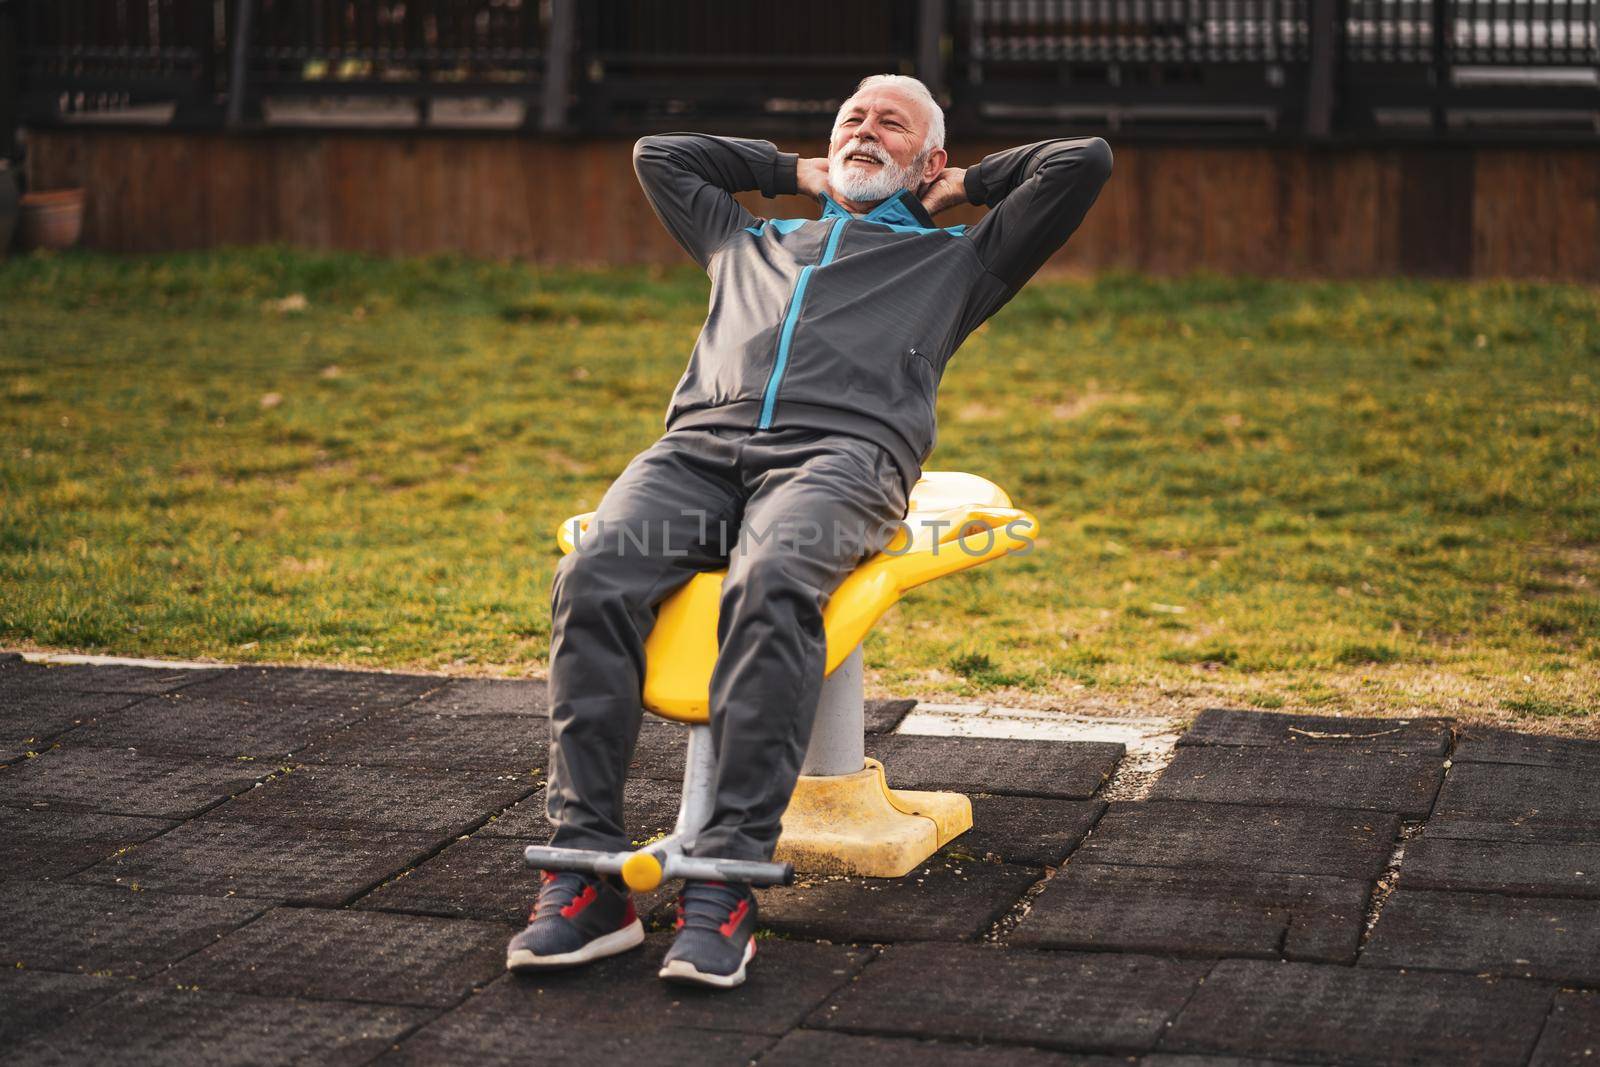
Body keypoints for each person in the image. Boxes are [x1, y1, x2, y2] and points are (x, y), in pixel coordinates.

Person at [506, 74, 1112, 988]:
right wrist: (795, 169)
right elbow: (660, 155)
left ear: (929, 157)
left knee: (774, 579)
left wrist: (968, 188)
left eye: (890, 124)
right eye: (851, 121)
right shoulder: (747, 239)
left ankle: (726, 883)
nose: (865, 131)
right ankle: (587, 876)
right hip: (698, 455)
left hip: (841, 460)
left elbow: (1082, 162)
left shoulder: (960, 261)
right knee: (594, 574)